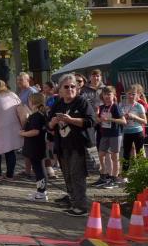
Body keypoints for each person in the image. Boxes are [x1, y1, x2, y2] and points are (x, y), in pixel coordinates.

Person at [48, 74, 96, 216]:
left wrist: (71, 120)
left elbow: (91, 121)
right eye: (66, 87)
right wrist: (53, 123)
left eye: (73, 86)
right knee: (67, 175)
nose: (70, 89)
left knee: (77, 175)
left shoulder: (82, 102)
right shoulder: (58, 103)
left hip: (78, 145)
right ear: (60, 90)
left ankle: (81, 207)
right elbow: (48, 124)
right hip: (62, 145)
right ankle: (73, 200)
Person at [94, 86, 126, 189]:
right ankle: (104, 176)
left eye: (109, 94)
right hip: (105, 134)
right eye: (105, 94)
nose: (107, 96)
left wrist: (111, 119)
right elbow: (99, 120)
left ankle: (114, 178)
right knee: (101, 154)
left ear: (113, 95)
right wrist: (98, 119)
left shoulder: (115, 107)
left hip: (115, 134)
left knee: (114, 157)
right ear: (102, 96)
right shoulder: (102, 107)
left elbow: (123, 121)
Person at [21, 93, 49, 200]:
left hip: (35, 146)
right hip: (38, 146)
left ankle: (41, 193)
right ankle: (41, 191)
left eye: (29, 100)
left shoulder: (36, 115)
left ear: (33, 101)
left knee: (39, 170)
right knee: (39, 169)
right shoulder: (40, 114)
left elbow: (35, 131)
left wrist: (22, 133)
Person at [121, 85, 147, 174]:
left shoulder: (139, 106)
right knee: (126, 154)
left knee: (139, 154)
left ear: (137, 95)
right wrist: (123, 118)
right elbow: (118, 118)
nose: (131, 96)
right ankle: (125, 174)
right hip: (126, 132)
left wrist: (134, 117)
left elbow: (145, 121)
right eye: (129, 93)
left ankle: (141, 173)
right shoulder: (121, 105)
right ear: (126, 94)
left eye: (133, 94)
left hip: (138, 132)